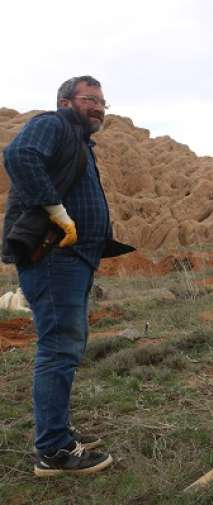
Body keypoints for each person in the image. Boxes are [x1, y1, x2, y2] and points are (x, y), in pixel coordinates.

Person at [2, 75, 133, 476]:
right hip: (54, 256)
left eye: (102, 102)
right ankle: (54, 452)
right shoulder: (54, 124)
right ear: (65, 101)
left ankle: (57, 433)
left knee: (66, 346)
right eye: (89, 99)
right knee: (59, 348)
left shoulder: (77, 140)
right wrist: (56, 211)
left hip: (73, 258)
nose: (97, 107)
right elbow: (19, 155)